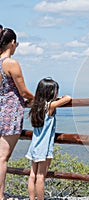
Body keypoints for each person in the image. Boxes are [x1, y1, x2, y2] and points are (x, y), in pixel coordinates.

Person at [0, 25, 34, 199]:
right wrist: (40, 99)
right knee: (2, 157)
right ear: (12, 43)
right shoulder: (10, 63)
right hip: (10, 114)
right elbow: (24, 92)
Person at [25, 78, 71, 200]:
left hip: (35, 145)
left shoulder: (36, 106)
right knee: (41, 176)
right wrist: (60, 98)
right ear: (51, 93)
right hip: (44, 147)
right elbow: (68, 98)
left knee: (32, 175)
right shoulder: (50, 106)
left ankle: (31, 198)